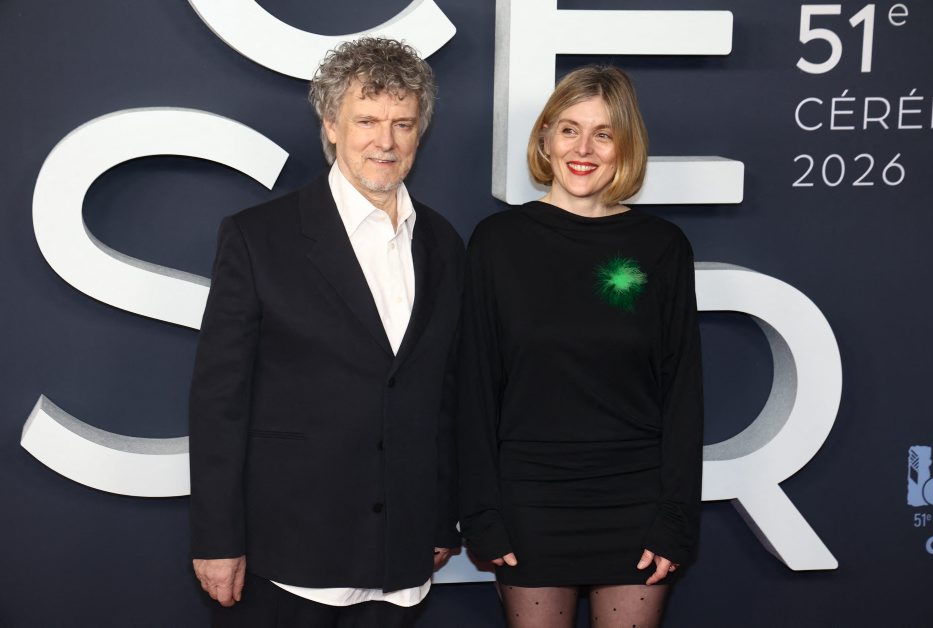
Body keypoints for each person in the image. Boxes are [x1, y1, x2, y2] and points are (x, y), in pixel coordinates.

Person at [188, 37, 464, 627]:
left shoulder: (443, 244)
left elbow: (442, 395)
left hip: (402, 558)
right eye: (366, 121)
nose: (385, 141)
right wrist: (217, 538)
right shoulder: (258, 238)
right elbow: (219, 402)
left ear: (419, 132)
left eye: (402, 124)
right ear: (331, 126)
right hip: (288, 556)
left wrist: (441, 517)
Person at [458, 66, 703, 627]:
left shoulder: (662, 247)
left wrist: (675, 516)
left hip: (636, 503)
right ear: (545, 138)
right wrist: (482, 512)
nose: (583, 149)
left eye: (603, 133)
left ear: (626, 147)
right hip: (530, 503)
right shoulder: (497, 243)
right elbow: (474, 387)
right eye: (569, 129)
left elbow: (683, 393)